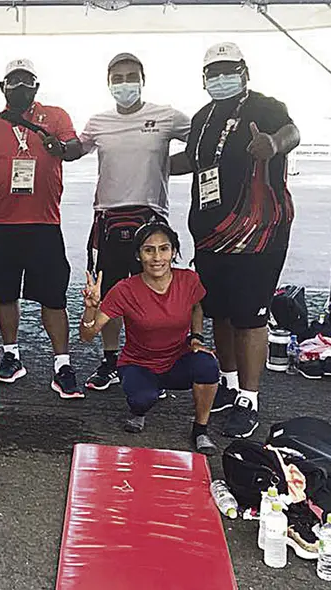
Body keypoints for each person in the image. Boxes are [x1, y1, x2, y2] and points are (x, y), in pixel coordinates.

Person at [170, 42, 300, 438]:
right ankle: (227, 384)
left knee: (250, 317)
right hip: (210, 234)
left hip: (258, 235)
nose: (220, 77)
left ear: (244, 71)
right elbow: (190, 161)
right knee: (220, 313)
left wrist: (274, 145)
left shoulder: (265, 106)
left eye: (229, 69)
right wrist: (143, 153)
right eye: (214, 71)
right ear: (204, 78)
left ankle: (249, 398)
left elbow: (292, 132)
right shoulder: (202, 117)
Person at [0, 58, 84, 399]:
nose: (20, 87)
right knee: (4, 294)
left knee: (53, 297)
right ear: (3, 88)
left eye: (26, 81)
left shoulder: (56, 117)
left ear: (37, 86)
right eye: (13, 81)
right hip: (0, 226)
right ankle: (11, 354)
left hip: (45, 225)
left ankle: (62, 363)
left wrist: (59, 148)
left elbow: (75, 149)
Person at [78, 53, 191, 392]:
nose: (125, 83)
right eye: (118, 77)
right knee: (110, 294)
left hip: (151, 216)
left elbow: (204, 141)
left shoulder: (166, 116)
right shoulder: (98, 121)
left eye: (131, 76)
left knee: (154, 294)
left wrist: (166, 166)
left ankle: (158, 361)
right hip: (108, 217)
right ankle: (111, 360)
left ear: (143, 79)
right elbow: (72, 149)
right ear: (108, 82)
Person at [78, 222, 219, 455]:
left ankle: (200, 430)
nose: (157, 257)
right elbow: (86, 335)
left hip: (177, 360)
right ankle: (139, 411)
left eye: (164, 249)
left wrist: (196, 337)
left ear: (174, 252)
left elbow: (196, 307)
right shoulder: (125, 289)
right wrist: (91, 308)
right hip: (138, 364)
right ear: (138, 255)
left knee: (208, 365)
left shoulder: (188, 280)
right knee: (142, 398)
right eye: (148, 250)